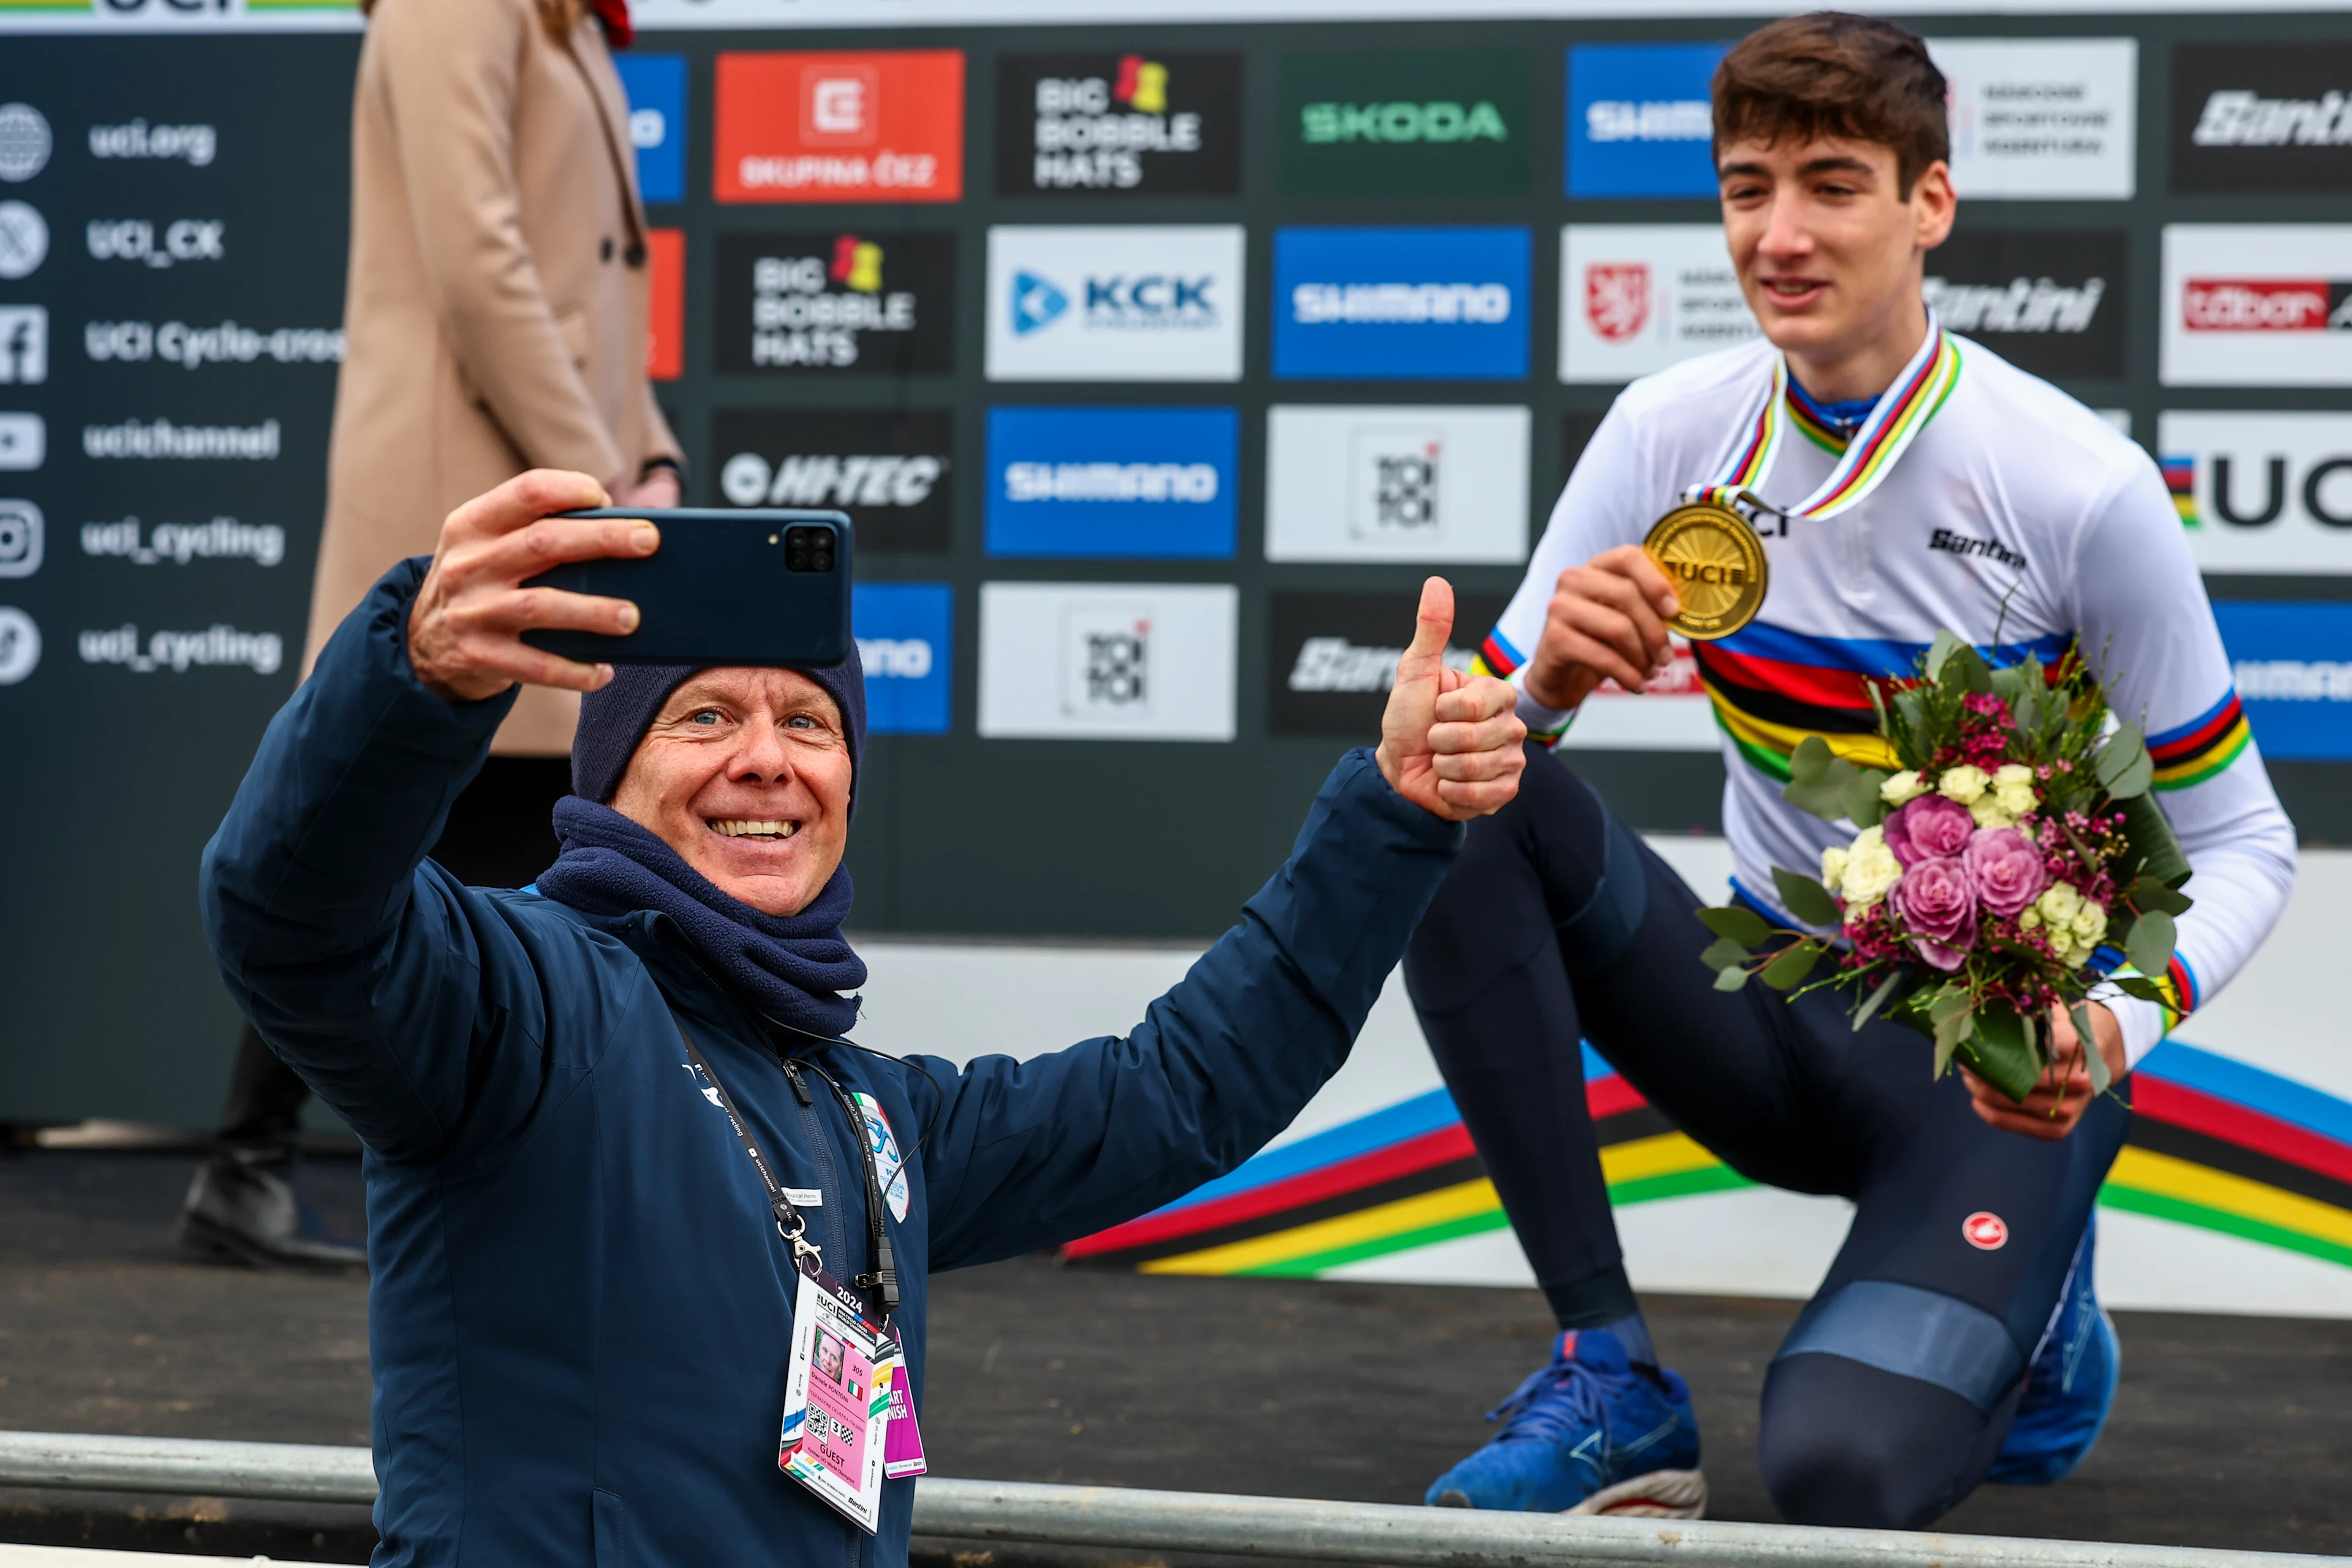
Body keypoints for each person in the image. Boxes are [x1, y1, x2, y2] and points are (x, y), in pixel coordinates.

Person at [200, 469, 1526, 1565]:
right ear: (613, 775)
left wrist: (1392, 815)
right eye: (704, 714)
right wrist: (413, 674)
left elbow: (1180, 1090)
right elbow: (288, 915)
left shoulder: (859, 1103)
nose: (767, 757)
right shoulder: (520, 1000)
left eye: (811, 720)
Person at [1407, 12, 2296, 1530]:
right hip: (1764, 1010)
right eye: (1749, 189)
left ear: (1929, 204)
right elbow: (1457, 739)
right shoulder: (1667, 431)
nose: (1783, 233)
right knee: (1459, 808)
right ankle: (1612, 1374)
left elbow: (2248, 842)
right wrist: (1541, 685)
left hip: (1993, 1070)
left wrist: (2117, 1016)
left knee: (1833, 1476)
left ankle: (2046, 1304)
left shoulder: (2078, 483)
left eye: (1832, 184)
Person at [179, 0, 684, 1265]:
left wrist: (654, 454)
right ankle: (291, 1159)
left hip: (542, 470)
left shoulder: (569, 19)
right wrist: (601, 478)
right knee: (446, 801)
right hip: (470, 477)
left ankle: (263, 1158)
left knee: (478, 811)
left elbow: (592, 292)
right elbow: (477, 260)